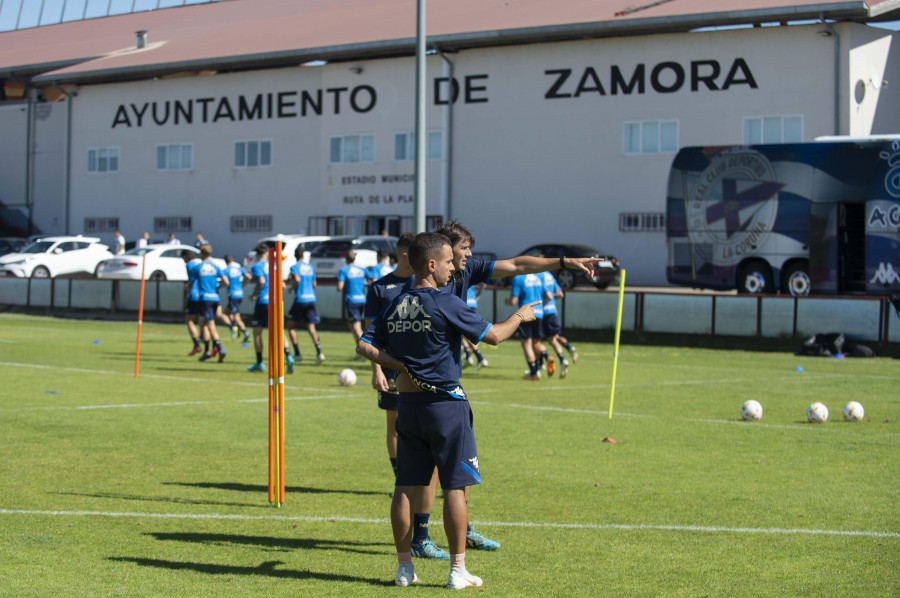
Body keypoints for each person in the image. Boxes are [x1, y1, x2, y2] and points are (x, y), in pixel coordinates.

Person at [357, 232, 538, 589]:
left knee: (404, 488)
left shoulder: (396, 303)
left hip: (408, 406)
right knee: (455, 488)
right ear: (431, 264)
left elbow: (365, 345)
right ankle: (457, 570)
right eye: (450, 262)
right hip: (445, 407)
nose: (455, 268)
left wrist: (402, 367)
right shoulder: (444, 301)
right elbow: (496, 336)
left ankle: (404, 568)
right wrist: (519, 315)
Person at [431, 219, 598, 550]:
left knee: (454, 466)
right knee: (427, 471)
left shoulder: (466, 272)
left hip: (448, 379)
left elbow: (518, 264)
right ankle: (422, 539)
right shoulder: (425, 289)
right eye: (464, 248)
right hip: (427, 383)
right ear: (445, 251)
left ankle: (454, 531)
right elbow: (492, 336)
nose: (470, 253)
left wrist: (565, 262)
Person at [247, 243, 293, 373]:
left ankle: (259, 362)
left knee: (257, 332)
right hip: (276, 302)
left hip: (263, 302)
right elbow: (283, 286)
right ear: (267, 254)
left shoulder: (257, 266)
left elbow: (261, 281)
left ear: (257, 254)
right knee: (279, 332)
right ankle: (289, 357)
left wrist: (254, 294)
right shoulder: (274, 266)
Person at [286, 245, 325, 366]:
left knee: (290, 326)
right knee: (311, 327)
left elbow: (296, 279)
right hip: (311, 299)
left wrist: (291, 289)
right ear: (303, 255)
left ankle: (297, 353)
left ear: (295, 256)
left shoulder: (294, 267)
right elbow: (314, 284)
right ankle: (319, 353)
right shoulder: (310, 267)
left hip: (300, 300)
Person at [508, 273, 549, 380]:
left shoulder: (518, 278)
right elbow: (549, 296)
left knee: (526, 343)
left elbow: (513, 301)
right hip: (539, 314)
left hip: (525, 315)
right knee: (536, 342)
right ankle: (546, 356)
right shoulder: (538, 277)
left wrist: (506, 301)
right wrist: (542, 307)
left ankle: (533, 373)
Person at [191, 244, 227, 362]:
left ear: (201, 254)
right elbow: (226, 282)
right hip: (215, 298)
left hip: (205, 299)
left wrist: (187, 287)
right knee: (206, 323)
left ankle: (218, 349)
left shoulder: (198, 267)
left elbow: (191, 282)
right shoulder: (215, 267)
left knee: (207, 325)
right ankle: (209, 350)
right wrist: (218, 287)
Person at [539, 270, 577, 374]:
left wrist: (542, 303)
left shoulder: (537, 276)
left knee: (542, 341)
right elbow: (560, 294)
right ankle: (569, 349)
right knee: (555, 337)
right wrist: (552, 298)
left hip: (543, 313)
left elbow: (547, 296)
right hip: (553, 312)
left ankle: (547, 363)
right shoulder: (550, 275)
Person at [337, 250, 367, 356]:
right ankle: (359, 349)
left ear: (346, 259)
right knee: (351, 325)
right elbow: (371, 278)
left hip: (352, 301)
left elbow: (340, 287)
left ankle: (365, 351)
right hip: (362, 300)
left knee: (356, 327)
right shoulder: (362, 270)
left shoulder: (344, 270)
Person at [222, 254, 251, 343]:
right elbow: (249, 277)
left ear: (225, 261)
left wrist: (220, 286)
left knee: (236, 316)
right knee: (227, 313)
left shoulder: (226, 270)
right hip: (239, 294)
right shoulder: (238, 269)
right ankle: (235, 328)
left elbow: (225, 282)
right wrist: (243, 285)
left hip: (233, 295)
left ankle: (246, 334)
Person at [182, 249, 206, 356]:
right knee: (202, 319)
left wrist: (187, 287)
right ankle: (207, 347)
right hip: (203, 295)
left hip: (193, 295)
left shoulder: (189, 265)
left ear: (186, 257)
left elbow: (191, 281)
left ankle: (196, 345)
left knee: (189, 320)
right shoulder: (201, 263)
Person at [462, 284, 488, 370]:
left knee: (460, 330)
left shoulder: (454, 271)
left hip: (462, 302)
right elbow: (483, 284)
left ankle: (474, 356)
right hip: (472, 303)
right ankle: (472, 356)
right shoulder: (469, 271)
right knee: (464, 332)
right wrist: (477, 295)